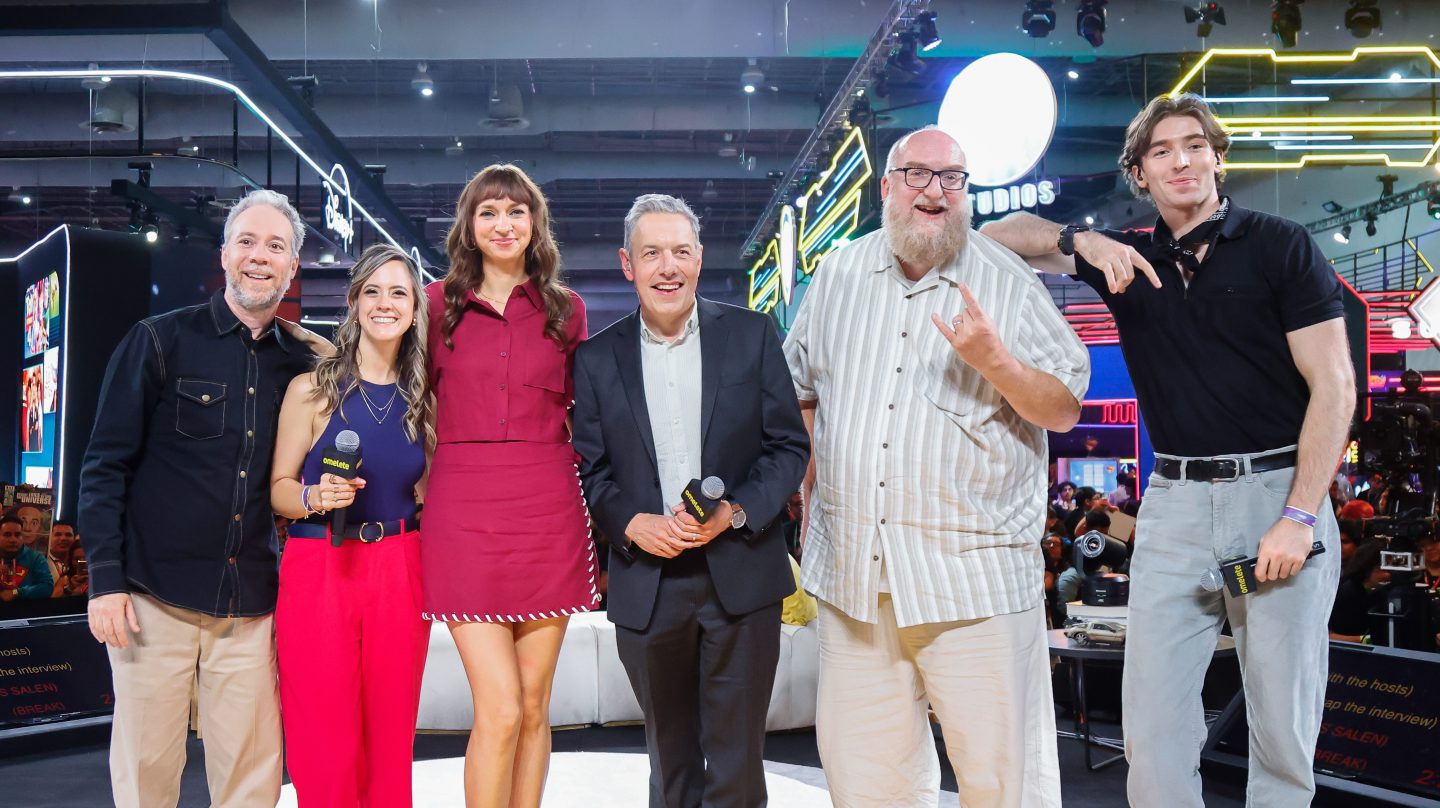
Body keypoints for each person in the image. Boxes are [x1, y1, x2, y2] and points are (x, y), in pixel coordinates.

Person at [983, 92, 1353, 808]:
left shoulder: (1280, 244)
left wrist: (1300, 515)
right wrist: (1078, 240)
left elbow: (1334, 387)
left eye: (1194, 144)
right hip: (1174, 508)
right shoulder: (1130, 262)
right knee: (1149, 733)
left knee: (1280, 734)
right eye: (1161, 151)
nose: (1181, 159)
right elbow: (998, 233)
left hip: (1275, 498)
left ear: (1218, 157)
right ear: (1140, 175)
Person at [784, 126, 1087, 807]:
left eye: (952, 178)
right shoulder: (837, 275)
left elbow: (1064, 407)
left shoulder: (1007, 281)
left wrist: (997, 363)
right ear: (887, 187)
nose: (935, 191)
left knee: (999, 782)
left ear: (966, 193)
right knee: (866, 784)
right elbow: (800, 391)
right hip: (855, 580)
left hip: (972, 585)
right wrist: (807, 493)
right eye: (917, 174)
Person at [77, 189, 326, 808]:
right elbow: (105, 466)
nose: (259, 257)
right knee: (147, 772)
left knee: (252, 779)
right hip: (150, 601)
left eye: (276, 247)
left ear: (293, 267)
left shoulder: (304, 363)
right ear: (224, 255)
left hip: (249, 606)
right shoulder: (158, 341)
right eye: (247, 242)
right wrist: (105, 579)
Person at [572, 193, 809, 808]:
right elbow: (592, 471)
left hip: (741, 576)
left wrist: (734, 512)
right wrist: (631, 523)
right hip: (648, 584)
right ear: (628, 264)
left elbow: (787, 448)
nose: (668, 267)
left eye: (681, 251)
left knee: (737, 765)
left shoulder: (752, 335)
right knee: (669, 764)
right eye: (652, 253)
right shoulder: (597, 360)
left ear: (700, 259)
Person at [422, 164, 597, 808]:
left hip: (548, 509)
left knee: (532, 704)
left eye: (516, 212)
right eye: (489, 211)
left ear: (535, 225)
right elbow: (406, 399)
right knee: (497, 706)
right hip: (463, 512)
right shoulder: (434, 305)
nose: (503, 224)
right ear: (470, 225)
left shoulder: (565, 310)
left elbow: (590, 411)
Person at [270, 244, 433, 807]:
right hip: (320, 566)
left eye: (399, 293)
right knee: (324, 735)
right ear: (354, 302)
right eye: (373, 291)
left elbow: (432, 492)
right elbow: (280, 490)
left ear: (415, 308)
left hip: (400, 567)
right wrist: (315, 496)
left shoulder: (426, 400)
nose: (385, 304)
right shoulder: (312, 390)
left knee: (391, 733)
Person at [1327, 541, 1388, 643]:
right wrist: (1365, 640)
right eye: (1383, 569)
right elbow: (1327, 636)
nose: (1388, 575)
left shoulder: (1381, 594)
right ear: (1368, 568)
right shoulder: (1346, 592)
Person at [0, 515, 53, 601]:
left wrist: (17, 592)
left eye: (17, 535)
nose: (13, 539)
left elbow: (47, 587)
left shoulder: (36, 558)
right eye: (7, 535)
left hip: (26, 612)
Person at [45, 520, 80, 597]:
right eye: (58, 534)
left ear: (74, 539)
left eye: (68, 535)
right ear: (49, 537)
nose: (63, 538)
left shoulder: (81, 562)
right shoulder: (41, 561)